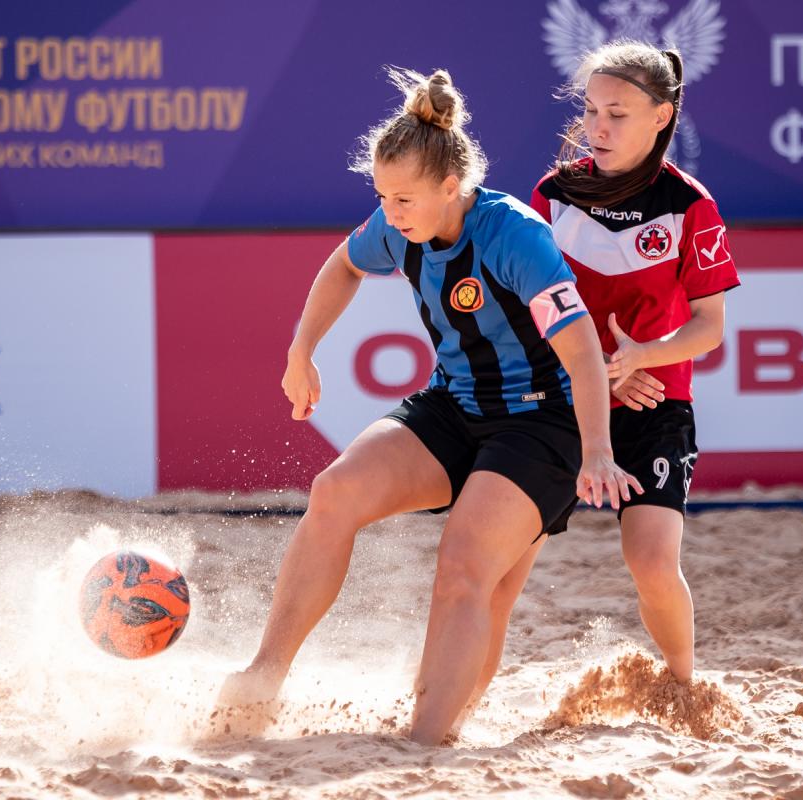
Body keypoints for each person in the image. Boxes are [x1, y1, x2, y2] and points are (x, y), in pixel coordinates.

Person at [215, 66, 640, 746]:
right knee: (335, 492)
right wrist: (302, 349)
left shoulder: (514, 236)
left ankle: (425, 745)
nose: (390, 213)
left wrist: (596, 451)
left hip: (543, 424)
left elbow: (583, 349)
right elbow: (344, 264)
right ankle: (263, 677)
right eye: (382, 197)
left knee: (472, 574)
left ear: (451, 186)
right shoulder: (399, 225)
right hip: (456, 404)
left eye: (403, 198)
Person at [529, 42, 741, 684]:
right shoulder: (553, 194)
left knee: (651, 563)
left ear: (661, 116)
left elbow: (709, 327)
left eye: (617, 114)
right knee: (505, 560)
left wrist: (642, 355)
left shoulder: (690, 205)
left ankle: (684, 684)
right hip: (560, 395)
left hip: (654, 400)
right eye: (591, 110)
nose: (597, 126)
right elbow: (523, 303)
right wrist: (594, 366)